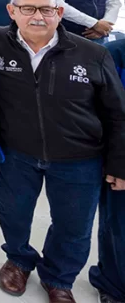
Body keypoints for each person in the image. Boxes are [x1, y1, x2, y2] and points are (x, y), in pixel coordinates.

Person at [0, 0, 125, 303]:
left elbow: (117, 113)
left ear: (59, 13)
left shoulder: (93, 53)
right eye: (27, 8)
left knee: (74, 225)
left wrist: (118, 162)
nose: (37, 16)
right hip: (18, 152)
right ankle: (18, 260)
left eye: (46, 9)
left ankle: (59, 277)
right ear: (12, 11)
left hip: (80, 157)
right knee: (13, 214)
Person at [93, 40, 125, 303]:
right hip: (121, 159)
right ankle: (114, 286)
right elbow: (111, 113)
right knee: (118, 225)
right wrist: (118, 162)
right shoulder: (115, 54)